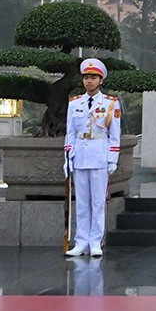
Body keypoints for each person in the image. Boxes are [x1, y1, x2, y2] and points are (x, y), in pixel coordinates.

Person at [63, 58, 121, 258]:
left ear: (101, 80)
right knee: (81, 202)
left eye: (93, 77)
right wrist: (68, 156)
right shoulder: (74, 103)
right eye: (86, 77)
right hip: (80, 155)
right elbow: (70, 132)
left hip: (99, 155)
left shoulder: (110, 104)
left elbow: (114, 135)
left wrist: (112, 159)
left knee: (97, 202)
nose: (89, 81)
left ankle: (96, 242)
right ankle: (80, 242)